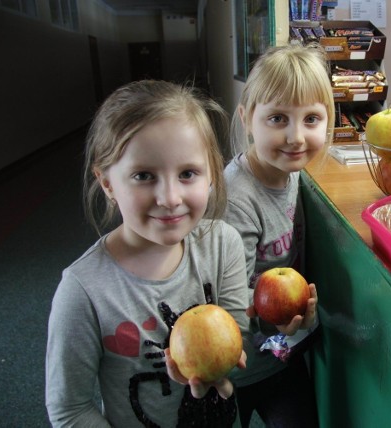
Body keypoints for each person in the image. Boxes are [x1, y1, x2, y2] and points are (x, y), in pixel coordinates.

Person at [45, 80, 250, 428]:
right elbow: (70, 409)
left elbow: (236, 336)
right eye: (143, 175)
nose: (170, 198)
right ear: (108, 182)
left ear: (212, 174)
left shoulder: (223, 244)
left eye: (188, 173)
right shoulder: (83, 291)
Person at [223, 43, 335, 427]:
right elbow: (227, 300)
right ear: (246, 118)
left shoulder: (291, 174)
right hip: (238, 368)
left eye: (311, 119)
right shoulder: (237, 201)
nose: (296, 137)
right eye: (277, 119)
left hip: (281, 356)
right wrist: (273, 325)